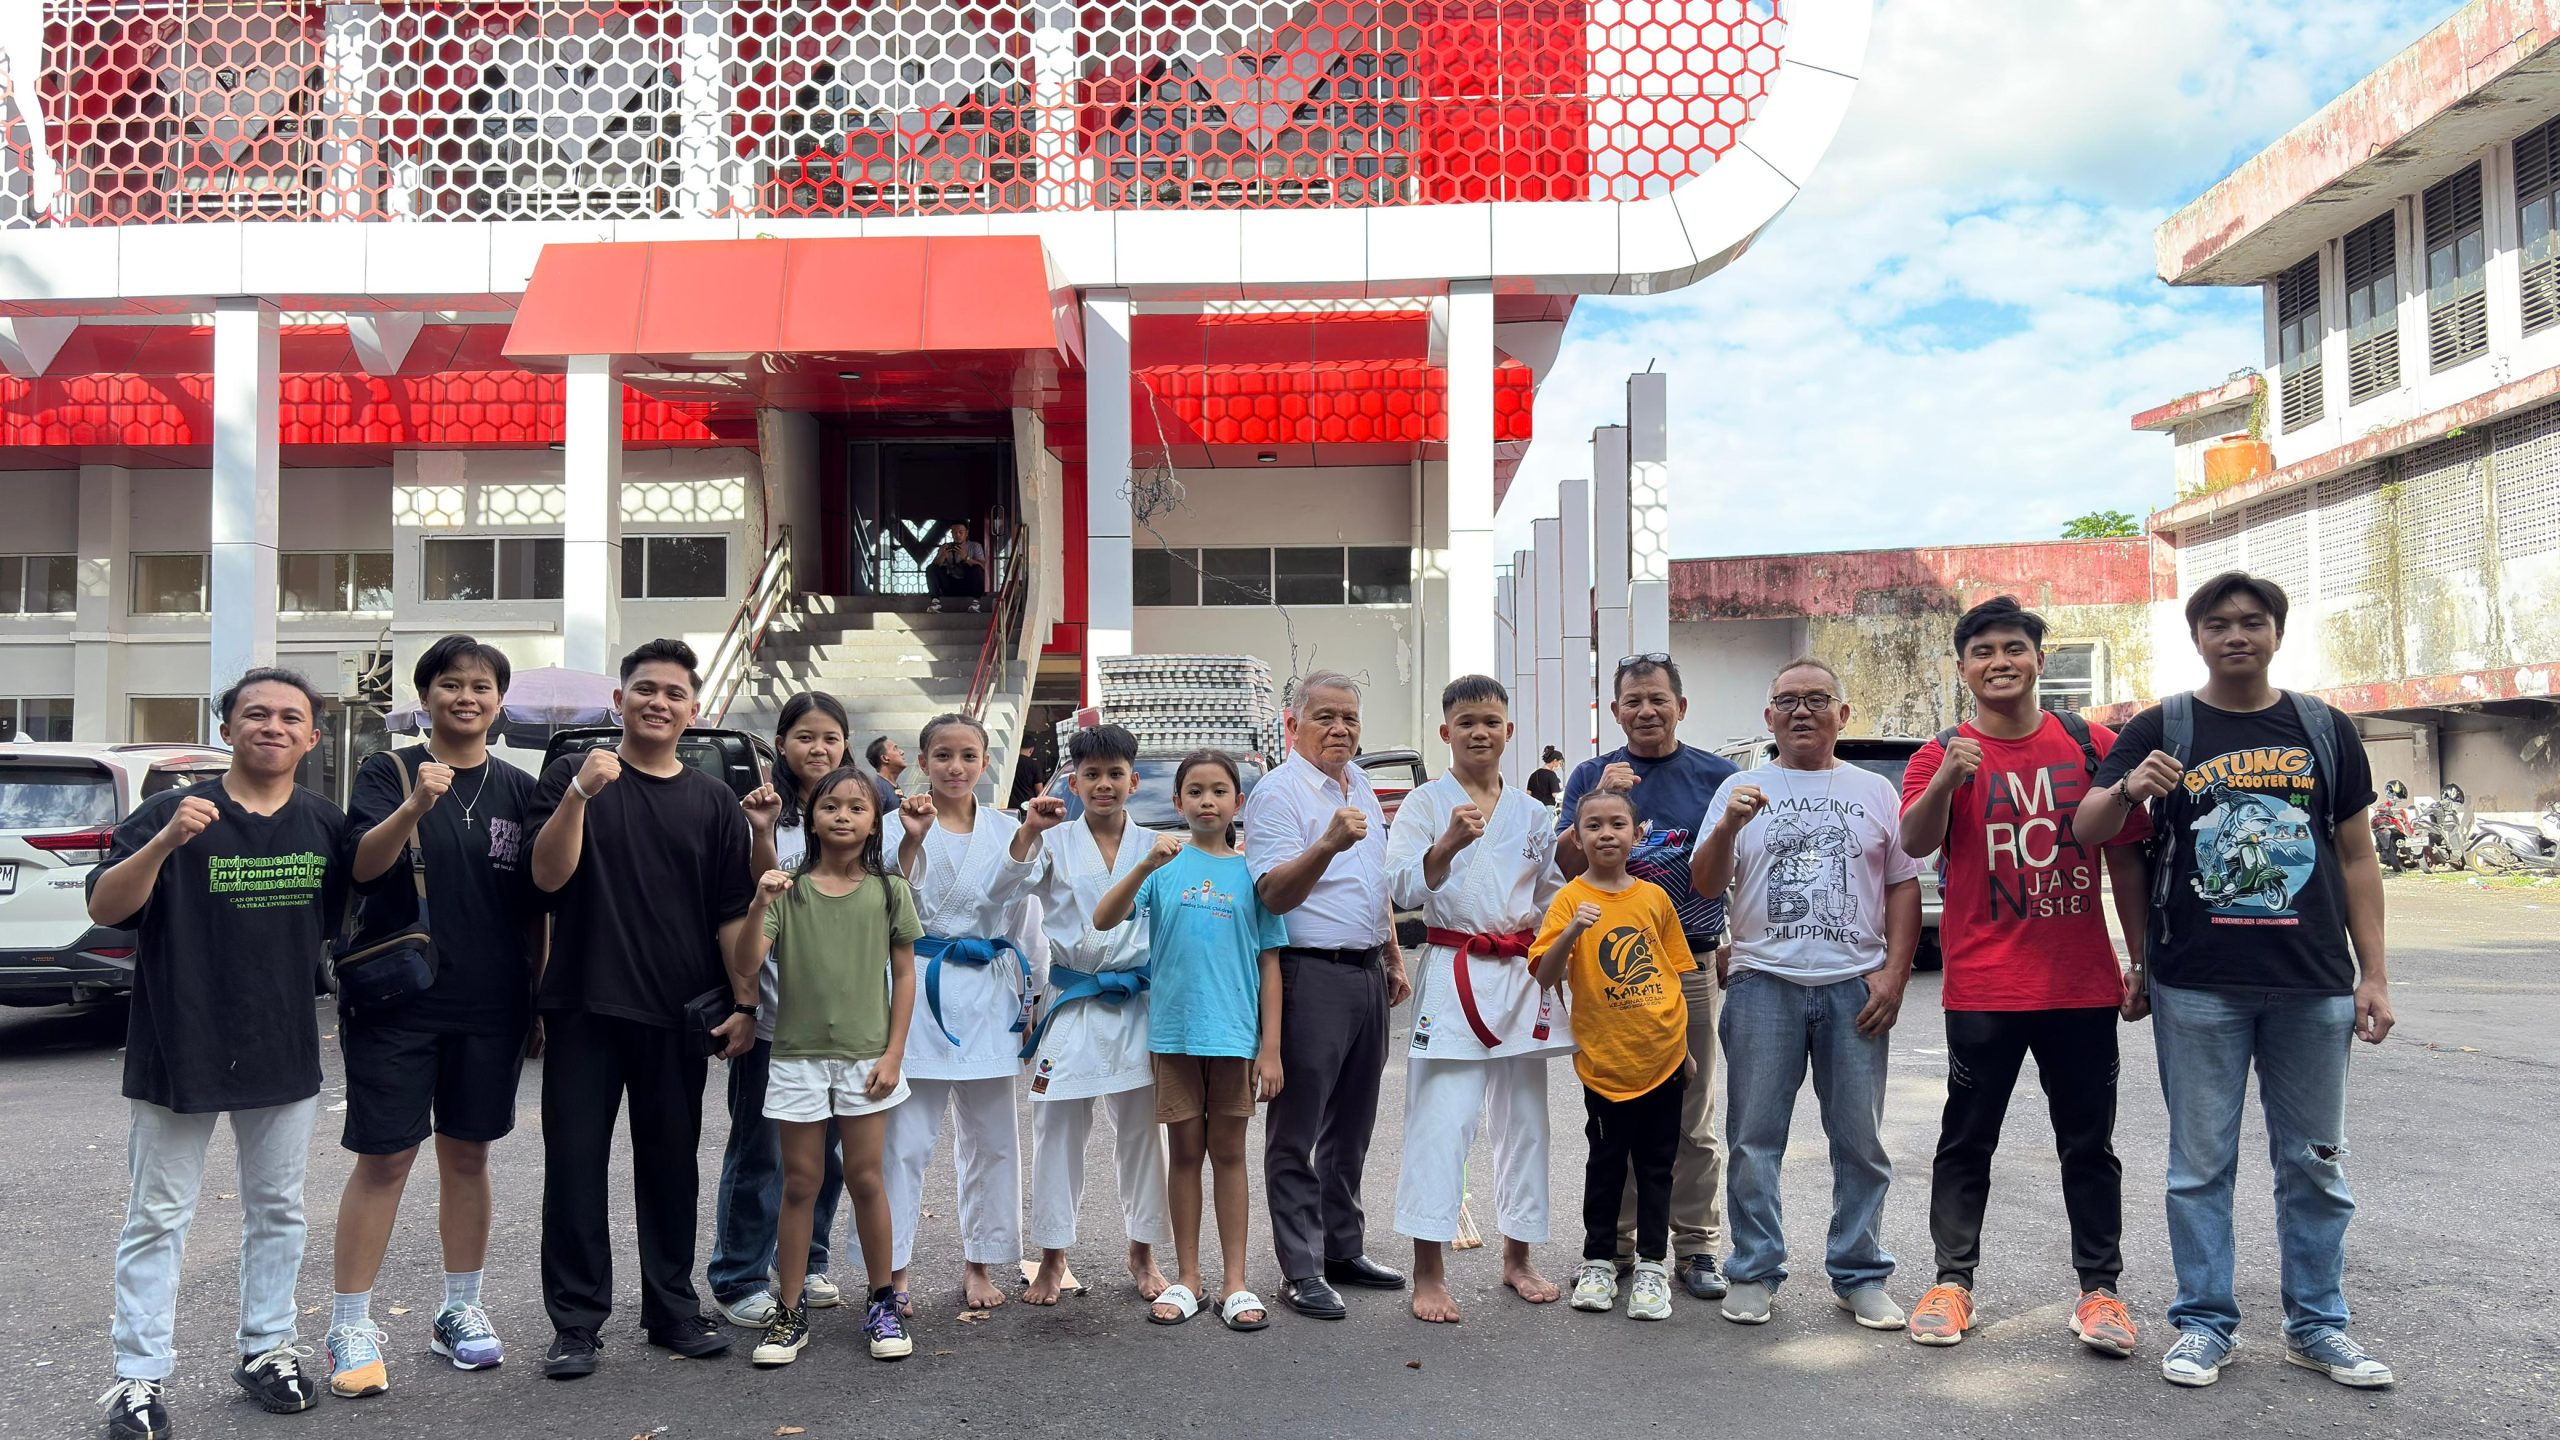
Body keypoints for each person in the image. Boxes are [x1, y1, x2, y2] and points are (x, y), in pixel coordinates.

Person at [2076, 572, 2395, 1391]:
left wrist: (2376, 976)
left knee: (2316, 1162)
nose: (2235, 636)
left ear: (2276, 634)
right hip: (2198, 983)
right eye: (2218, 624)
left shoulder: (2324, 728)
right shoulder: (2162, 726)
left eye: (2252, 622)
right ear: (2198, 638)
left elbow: (2357, 858)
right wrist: (2126, 788)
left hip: (2315, 981)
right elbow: (2091, 829)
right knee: (2199, 1163)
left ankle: (2318, 1325)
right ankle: (2204, 1323)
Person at [90, 669, 354, 1440]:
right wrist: (169, 842)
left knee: (279, 1210)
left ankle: (267, 1348)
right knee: (158, 1215)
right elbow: (108, 907)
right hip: (180, 1043)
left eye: (289, 717)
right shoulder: (172, 812)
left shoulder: (325, 824)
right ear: (228, 728)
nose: (272, 726)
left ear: (310, 737)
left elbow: (338, 925)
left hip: (282, 1044)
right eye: (255, 714)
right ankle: (136, 1378)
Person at [1895, 597, 2149, 1355]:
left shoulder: (2093, 743)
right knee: (1967, 1139)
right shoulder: (1938, 753)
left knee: (2089, 1144)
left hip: (2080, 986)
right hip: (1984, 987)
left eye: (2014, 648)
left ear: (2040, 658)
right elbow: (1915, 841)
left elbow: (2127, 857)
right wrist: (1947, 780)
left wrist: (2141, 959)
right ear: (1964, 666)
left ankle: (2100, 1292)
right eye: (1983, 652)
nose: (1999, 662)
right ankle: (1951, 1283)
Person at [528, 638, 756, 1379]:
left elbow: (730, 913)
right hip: (584, 1008)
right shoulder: (573, 774)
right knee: (574, 1168)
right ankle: (576, 1323)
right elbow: (546, 879)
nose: (658, 702)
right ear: (618, 701)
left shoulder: (713, 800)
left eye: (674, 694)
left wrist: (744, 1003)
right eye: (645, 689)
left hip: (677, 1011)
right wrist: (578, 796)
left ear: (694, 711)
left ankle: (670, 1309)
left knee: (669, 1168)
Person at [325, 637, 542, 1399]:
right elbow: (362, 865)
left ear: (499, 702)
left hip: (492, 1003)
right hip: (399, 1000)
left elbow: (540, 897)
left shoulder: (519, 786)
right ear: (425, 698)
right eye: (449, 685)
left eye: (481, 686)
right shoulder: (389, 770)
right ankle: (349, 1319)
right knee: (385, 1157)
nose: (466, 697)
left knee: (469, 1155)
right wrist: (417, 802)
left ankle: (461, 1308)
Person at [1693, 657, 1921, 1331]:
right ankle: (1755, 1271)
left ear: (1842, 715)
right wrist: (1730, 826)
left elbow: (1903, 884)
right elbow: (1705, 885)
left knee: (1860, 1140)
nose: (1801, 711)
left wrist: (1895, 973)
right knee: (1754, 1138)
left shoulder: (1875, 791)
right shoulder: (1741, 785)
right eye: (1786, 700)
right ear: (1768, 717)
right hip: (1765, 982)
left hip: (1855, 986)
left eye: (1817, 699)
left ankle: (1859, 1274)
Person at [1554, 655, 1739, 1299]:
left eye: (1658, 699)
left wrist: (1730, 938)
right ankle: (1620, 1246)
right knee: (1618, 1104)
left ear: (1681, 707)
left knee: (1688, 1109)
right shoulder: (1589, 776)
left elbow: (1738, 863)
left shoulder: (1716, 774)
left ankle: (1696, 1245)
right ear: (1615, 712)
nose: (1646, 712)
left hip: (1685, 957)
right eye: (1632, 701)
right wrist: (1607, 794)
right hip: (1607, 969)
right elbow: (1564, 860)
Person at [1387, 676, 1571, 1323]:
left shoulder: (1528, 811)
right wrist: (1449, 844)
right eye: (1466, 722)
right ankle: (1429, 1272)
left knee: (1525, 1123)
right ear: (1446, 732)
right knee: (1442, 1122)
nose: (1479, 732)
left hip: (1518, 976)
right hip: (1455, 967)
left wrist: (1560, 951)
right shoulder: (1424, 804)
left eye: (1491, 721)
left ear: (1508, 731)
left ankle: (1518, 1257)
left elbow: (1551, 893)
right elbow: (1402, 883)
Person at [848, 713, 1043, 1312]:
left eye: (967, 756)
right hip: (914, 990)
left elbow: (1023, 921)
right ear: (923, 761)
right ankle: (894, 1269)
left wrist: (1033, 998)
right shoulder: (890, 823)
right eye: (942, 756)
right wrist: (910, 837)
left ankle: (979, 1263)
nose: (955, 768)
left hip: (988, 991)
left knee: (991, 1140)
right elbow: (879, 901)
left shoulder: (1010, 829)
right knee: (903, 1141)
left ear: (985, 763)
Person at [727, 768, 921, 1366]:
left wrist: (894, 1053)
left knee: (866, 1179)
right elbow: (747, 961)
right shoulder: (790, 889)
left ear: (874, 822)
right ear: (809, 818)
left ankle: (882, 1300)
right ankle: (788, 1312)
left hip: (867, 1059)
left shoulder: (890, 890)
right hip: (796, 1059)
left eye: (856, 807)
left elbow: (906, 974)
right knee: (800, 1185)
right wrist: (760, 902)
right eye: (829, 805)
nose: (842, 815)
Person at [1094, 750, 1288, 1331]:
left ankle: (1234, 1281)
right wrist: (1143, 866)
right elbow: (1105, 919)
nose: (1208, 800)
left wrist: (1270, 1046)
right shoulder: (1163, 867)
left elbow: (1271, 964)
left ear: (1238, 803)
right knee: (1184, 1155)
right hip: (1174, 1036)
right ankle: (1188, 1278)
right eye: (1196, 791)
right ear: (1176, 803)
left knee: (1229, 1154)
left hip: (1234, 1039)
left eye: (1220, 790)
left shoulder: (1253, 875)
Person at [1242, 670, 1414, 1319]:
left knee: (1353, 1125)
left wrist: (1392, 955)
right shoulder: (1278, 794)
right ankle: (1300, 1267)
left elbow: (1375, 884)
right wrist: (1327, 843)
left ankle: (1342, 1247)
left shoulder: (1360, 783)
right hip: (1308, 974)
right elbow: (1272, 895)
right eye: (1325, 717)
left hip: (1367, 971)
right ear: (1294, 724)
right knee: (1298, 1128)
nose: (1340, 728)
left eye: (1349, 717)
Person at [710, 694, 853, 1331]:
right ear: (781, 743)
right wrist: (764, 832)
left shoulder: (862, 811)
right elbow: (765, 900)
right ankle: (740, 1274)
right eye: (804, 737)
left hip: (847, 1022)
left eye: (829, 737)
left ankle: (808, 1256)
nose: (817, 749)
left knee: (830, 1151)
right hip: (776, 1012)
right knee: (761, 1151)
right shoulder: (761, 816)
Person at [1019, 724, 1173, 1309]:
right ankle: (1053, 1257)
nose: (1104, 784)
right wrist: (1028, 1000)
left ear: (1134, 781)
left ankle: (1144, 1252)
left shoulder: (1159, 845)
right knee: (1056, 1131)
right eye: (1092, 775)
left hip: (1136, 1001)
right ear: (1074, 782)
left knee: (1142, 1134)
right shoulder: (1053, 843)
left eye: (1115, 774)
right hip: (1074, 997)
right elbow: (1010, 897)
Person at [1534, 789, 1696, 1320]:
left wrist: (1687, 1052)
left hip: (1664, 1059)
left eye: (1617, 824)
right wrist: (1573, 931)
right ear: (1577, 838)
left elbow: (1675, 974)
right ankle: (1599, 1261)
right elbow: (1544, 972)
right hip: (1606, 1065)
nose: (1606, 834)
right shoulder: (1568, 900)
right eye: (1594, 826)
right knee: (1605, 1166)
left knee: (1657, 1168)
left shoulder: (1654, 898)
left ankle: (1652, 1268)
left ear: (1636, 833)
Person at [926, 522, 988, 609]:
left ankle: (976, 602)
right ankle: (935, 601)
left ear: (966, 533)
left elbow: (983, 566)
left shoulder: (975, 546)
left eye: (960, 532)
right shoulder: (945, 547)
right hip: (950, 585)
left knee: (976, 568)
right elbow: (934, 568)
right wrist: (943, 556)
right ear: (951, 533)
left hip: (968, 585)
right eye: (954, 532)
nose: (957, 535)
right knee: (931, 568)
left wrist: (966, 558)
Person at [866, 735, 906, 814]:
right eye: (895, 748)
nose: (902, 752)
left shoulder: (893, 786)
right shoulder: (877, 787)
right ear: (885, 758)